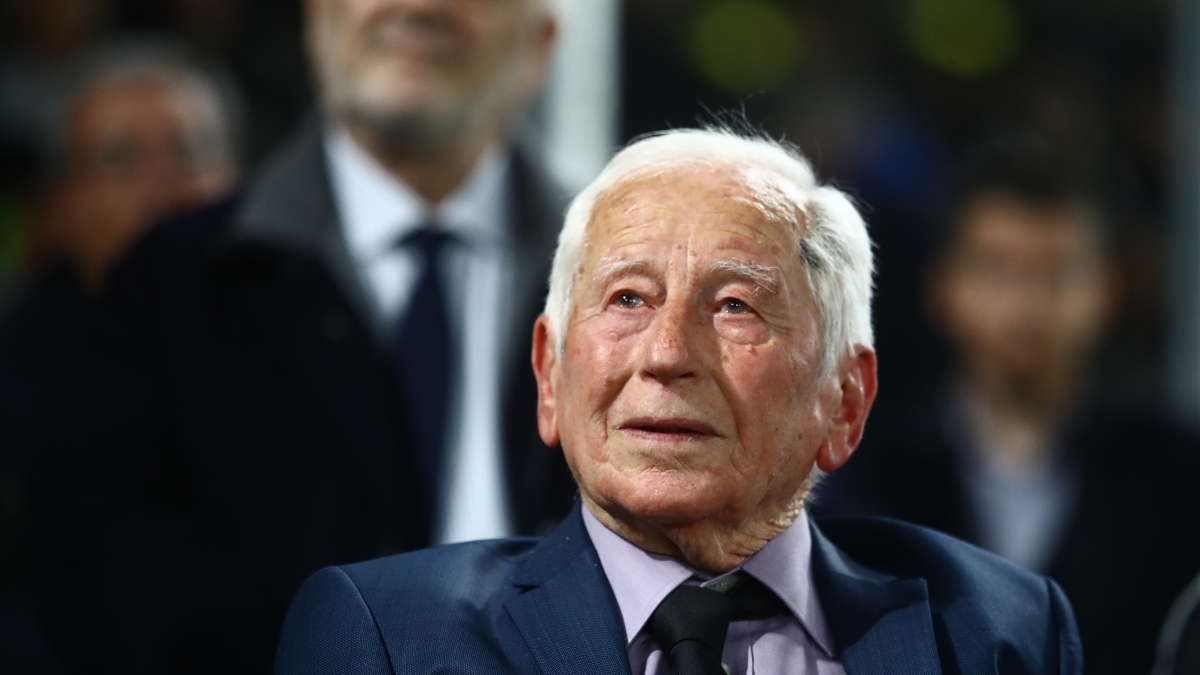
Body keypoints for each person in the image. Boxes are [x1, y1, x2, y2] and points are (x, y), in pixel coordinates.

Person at [275, 128, 1083, 675]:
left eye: (734, 306)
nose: (665, 354)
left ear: (844, 401)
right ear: (550, 376)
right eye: (628, 298)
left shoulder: (999, 631)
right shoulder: (389, 636)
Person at [26, 0, 573, 672]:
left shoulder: (630, 284)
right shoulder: (161, 290)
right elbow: (102, 570)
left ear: (540, 43)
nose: (418, 7)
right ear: (317, 17)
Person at [819, 138, 1200, 675]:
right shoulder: (862, 471)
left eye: (1057, 272)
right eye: (998, 270)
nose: (1026, 304)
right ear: (943, 288)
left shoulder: (1177, 481)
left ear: (1109, 292)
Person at [0, 41, 241, 674]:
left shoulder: (303, 345)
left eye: (188, 152)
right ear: (60, 203)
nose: (160, 188)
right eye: (118, 160)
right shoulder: (14, 378)